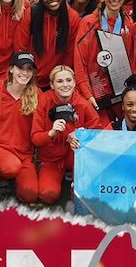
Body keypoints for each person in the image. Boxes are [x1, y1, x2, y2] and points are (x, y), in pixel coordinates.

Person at [31, 65, 103, 205]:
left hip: (76, 157)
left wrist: (81, 135)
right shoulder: (44, 101)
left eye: (69, 80)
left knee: (86, 195)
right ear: (51, 84)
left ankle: (74, 180)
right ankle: (58, 176)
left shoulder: (83, 104)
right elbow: (35, 138)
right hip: (51, 159)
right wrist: (50, 133)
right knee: (48, 195)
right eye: (60, 81)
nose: (65, 85)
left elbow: (98, 133)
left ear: (75, 82)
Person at [74, 0, 136, 121]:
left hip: (120, 90)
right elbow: (79, 63)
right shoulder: (88, 23)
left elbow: (132, 60)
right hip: (96, 91)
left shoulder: (128, 23)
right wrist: (87, 93)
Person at [0, 52, 41, 203]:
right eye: (20, 68)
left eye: (29, 69)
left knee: (30, 195)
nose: (25, 73)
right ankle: (0, 176)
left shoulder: (38, 95)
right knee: (10, 167)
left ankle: (14, 180)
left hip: (24, 153)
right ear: (11, 69)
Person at [26, 0, 80, 90]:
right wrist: (27, 74)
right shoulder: (31, 13)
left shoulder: (72, 17)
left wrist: (60, 78)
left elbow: (70, 52)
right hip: (31, 79)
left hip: (56, 81)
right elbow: (20, 45)